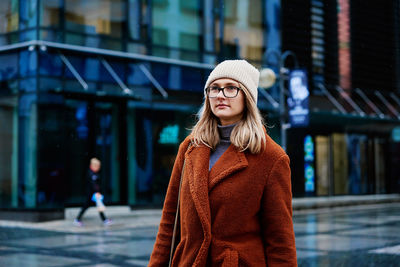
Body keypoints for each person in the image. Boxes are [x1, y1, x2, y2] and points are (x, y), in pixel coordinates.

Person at [148, 60, 297, 266]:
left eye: (231, 88)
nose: (220, 95)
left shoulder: (271, 157)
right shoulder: (191, 147)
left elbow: (280, 240)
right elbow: (169, 221)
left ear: (247, 97)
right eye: (214, 88)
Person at [73, 158, 112, 227]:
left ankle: (104, 220)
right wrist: (97, 192)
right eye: (97, 166)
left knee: (97, 206)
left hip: (93, 194)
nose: (99, 168)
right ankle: (77, 219)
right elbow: (93, 184)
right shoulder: (91, 174)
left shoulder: (94, 173)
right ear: (93, 166)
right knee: (89, 206)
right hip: (91, 194)